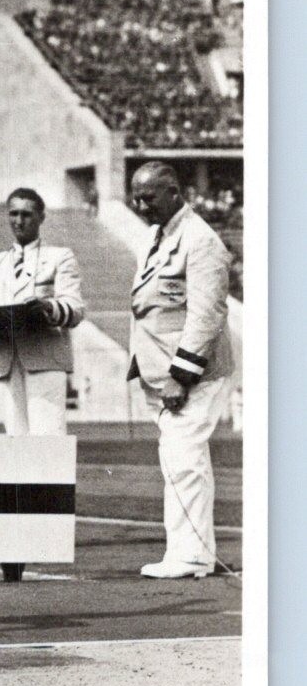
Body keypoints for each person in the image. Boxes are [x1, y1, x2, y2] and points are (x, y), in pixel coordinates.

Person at [0, 188, 85, 582]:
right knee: (15, 446)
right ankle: (15, 547)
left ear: (41, 217)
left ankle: (37, 536)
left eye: (28, 215)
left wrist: (48, 308)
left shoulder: (59, 257)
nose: (20, 221)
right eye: (14, 215)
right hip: (5, 359)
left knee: (47, 443)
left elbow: (75, 308)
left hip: (44, 357)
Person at [128, 161, 234, 579]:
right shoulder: (156, 236)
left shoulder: (200, 240)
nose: (140, 205)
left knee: (184, 460)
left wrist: (181, 374)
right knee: (178, 460)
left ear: (174, 192)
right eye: (136, 196)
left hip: (194, 374)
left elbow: (206, 315)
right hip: (165, 371)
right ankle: (189, 551)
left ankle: (192, 556)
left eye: (148, 197)